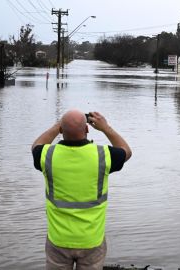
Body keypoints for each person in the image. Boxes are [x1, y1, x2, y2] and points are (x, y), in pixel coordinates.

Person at [31, 110, 132, 270]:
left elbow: (35, 146)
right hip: (91, 240)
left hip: (58, 239)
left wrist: (59, 125)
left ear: (61, 131)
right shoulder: (103, 156)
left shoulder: (46, 155)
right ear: (87, 129)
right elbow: (126, 151)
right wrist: (106, 128)